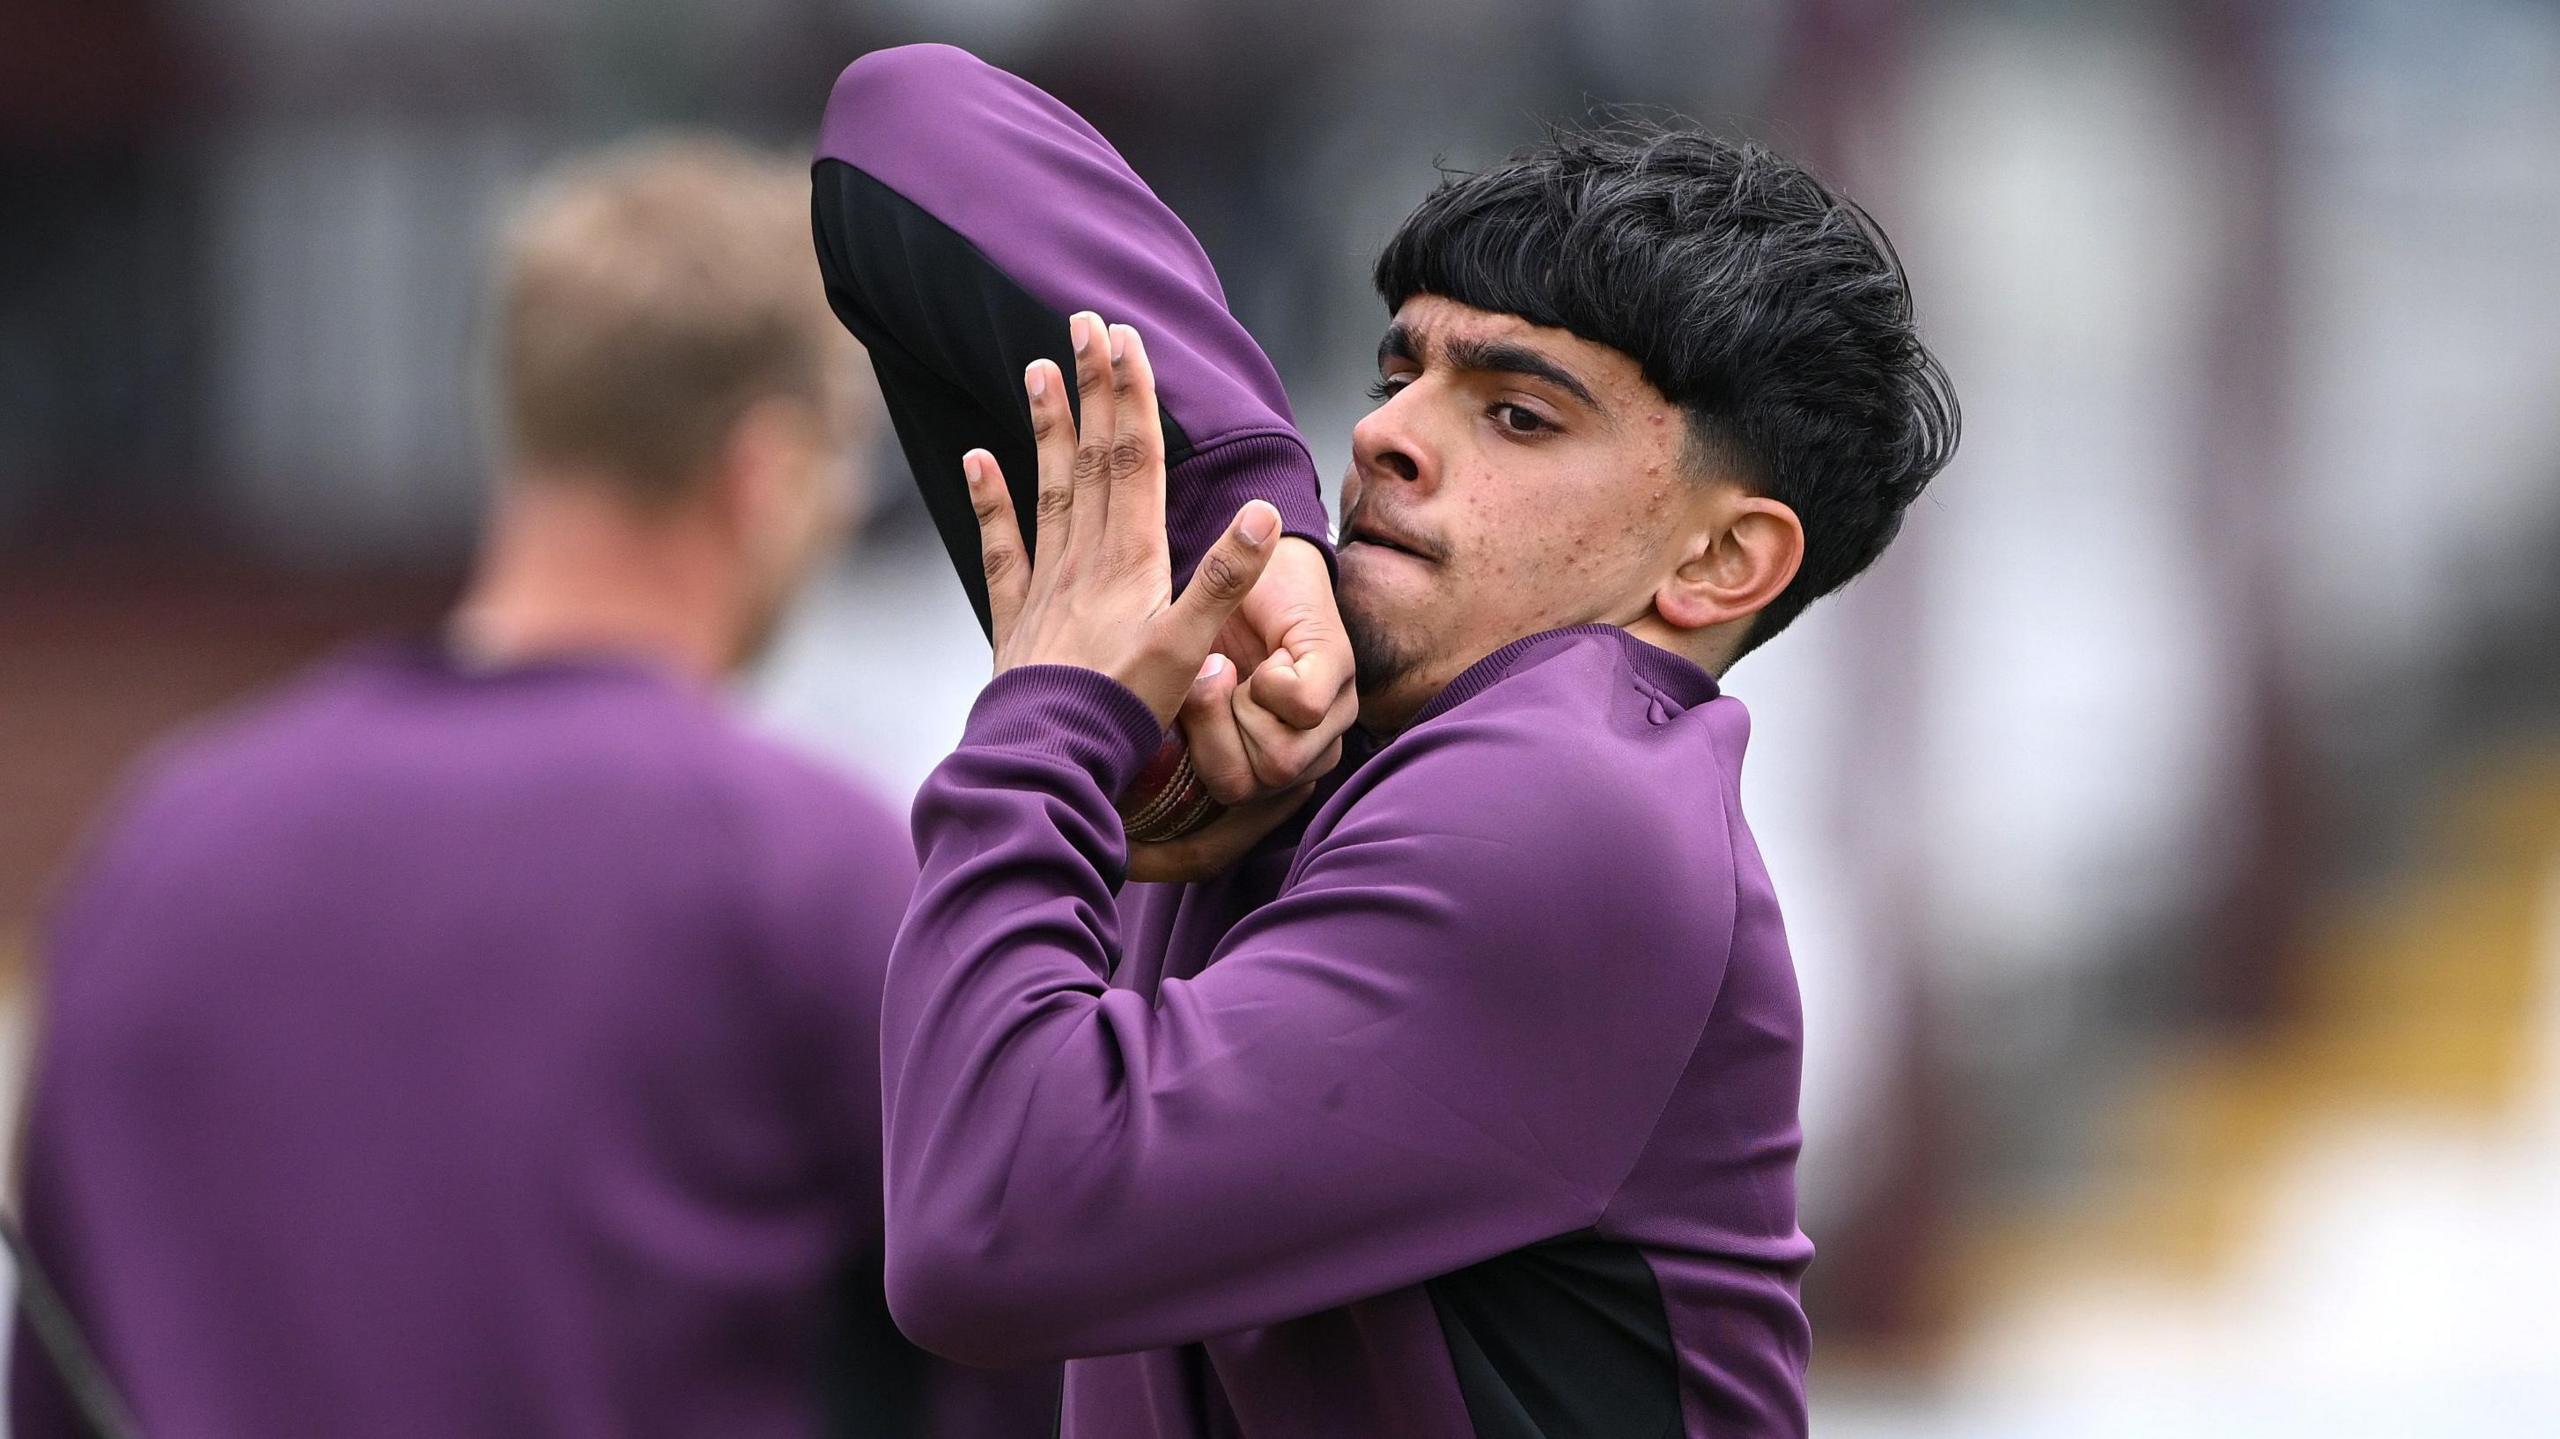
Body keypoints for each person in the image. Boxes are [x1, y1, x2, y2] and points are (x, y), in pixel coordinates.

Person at [813, 46, 1956, 1438]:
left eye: (1517, 415)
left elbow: (991, 1221)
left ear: (1721, 560)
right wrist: (1246, 498)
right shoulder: (1312, 699)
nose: (1383, 436)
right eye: (1396, 370)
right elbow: (904, 125)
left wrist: (1052, 728)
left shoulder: (1571, 803)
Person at [10, 137, 1054, 1437]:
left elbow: (54, 1369)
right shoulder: (809, 876)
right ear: (767, 472)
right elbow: (1034, 1344)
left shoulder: (157, 855)